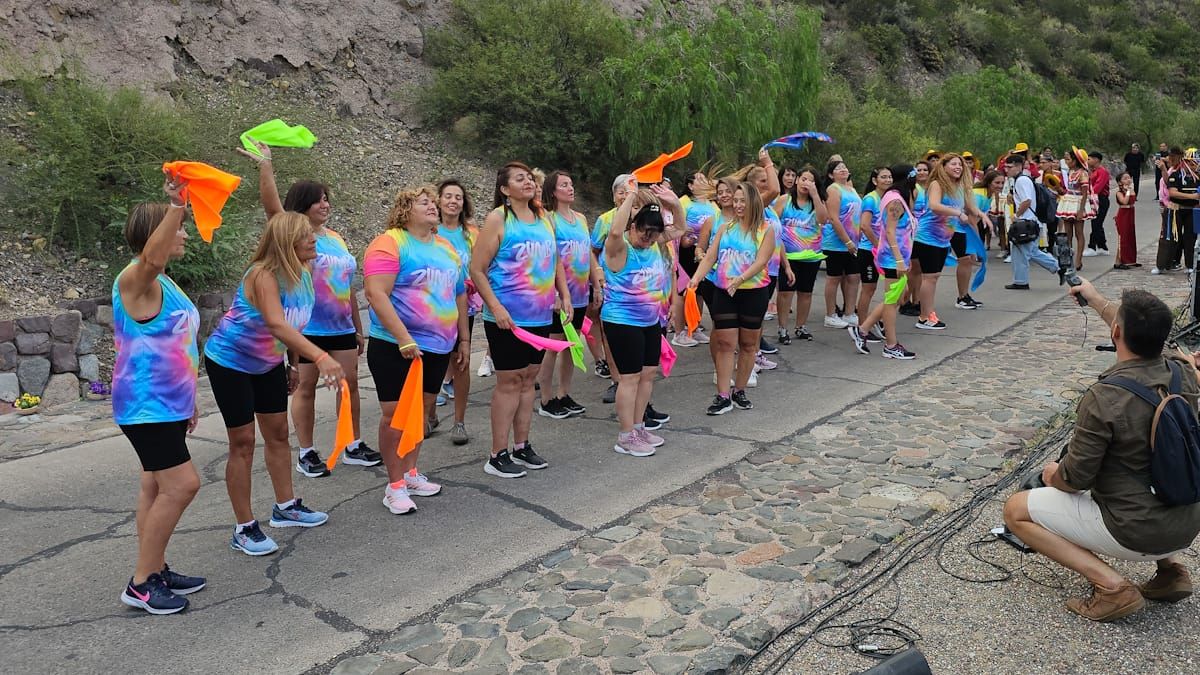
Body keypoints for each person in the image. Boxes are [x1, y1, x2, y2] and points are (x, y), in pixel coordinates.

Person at [1004, 280, 1200, 622]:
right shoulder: (1182, 371)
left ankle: (1112, 587)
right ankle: (1171, 573)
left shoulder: (1105, 397)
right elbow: (1138, 331)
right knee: (1155, 463)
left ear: (1116, 334)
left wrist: (1053, 474)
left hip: (1135, 530)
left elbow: (1075, 479)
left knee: (1016, 509)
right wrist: (1095, 299)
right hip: (1187, 523)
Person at [204, 213, 342, 556]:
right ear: (286, 242)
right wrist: (321, 358)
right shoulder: (262, 275)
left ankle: (286, 506)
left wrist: (292, 364)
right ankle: (244, 527)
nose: (314, 240)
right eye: (306, 236)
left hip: (268, 363)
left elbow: (295, 324)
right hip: (230, 361)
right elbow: (278, 325)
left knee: (279, 433)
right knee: (243, 442)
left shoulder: (304, 273)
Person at [237, 141, 378, 479]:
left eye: (327, 197)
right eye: (317, 198)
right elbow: (272, 207)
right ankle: (307, 451)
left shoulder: (337, 238)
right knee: (306, 389)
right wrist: (266, 167)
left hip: (341, 325)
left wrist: (357, 326)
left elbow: (347, 286)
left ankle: (352, 443)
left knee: (350, 386)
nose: (324, 203)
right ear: (301, 205)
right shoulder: (293, 234)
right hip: (307, 328)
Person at [113, 182, 205, 615]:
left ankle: (155, 568)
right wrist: (176, 205)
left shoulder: (166, 284)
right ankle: (142, 583)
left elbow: (178, 343)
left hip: (166, 404)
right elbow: (151, 257)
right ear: (156, 234)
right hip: (144, 405)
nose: (183, 234)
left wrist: (188, 400)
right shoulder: (135, 279)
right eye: (177, 227)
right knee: (183, 485)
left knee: (155, 484)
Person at [364, 186, 469, 514]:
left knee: (421, 413)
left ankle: (410, 473)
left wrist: (463, 339)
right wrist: (403, 338)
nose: (433, 207)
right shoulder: (390, 242)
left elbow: (460, 295)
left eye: (432, 203)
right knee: (395, 416)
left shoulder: (446, 248)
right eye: (424, 203)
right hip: (395, 345)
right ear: (404, 209)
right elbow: (375, 293)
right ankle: (393, 485)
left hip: (438, 347)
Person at [471, 162, 571, 478]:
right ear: (504, 189)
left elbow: (555, 260)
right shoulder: (499, 219)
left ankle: (522, 445)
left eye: (529, 177)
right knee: (509, 381)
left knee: (530, 379)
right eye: (519, 178)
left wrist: (564, 294)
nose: (528, 181)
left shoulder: (543, 218)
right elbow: (476, 269)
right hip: (507, 320)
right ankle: (497, 453)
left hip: (540, 315)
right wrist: (496, 308)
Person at [602, 180, 681, 455]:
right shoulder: (620, 247)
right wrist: (632, 196)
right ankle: (625, 436)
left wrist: (675, 203)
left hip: (650, 322)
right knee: (630, 378)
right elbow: (614, 229)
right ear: (633, 226)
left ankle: (638, 427)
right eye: (644, 232)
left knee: (648, 374)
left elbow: (680, 228)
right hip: (622, 321)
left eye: (653, 234)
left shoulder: (653, 244)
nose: (648, 238)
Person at [690, 181, 776, 415]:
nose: (737, 205)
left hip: (753, 292)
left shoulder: (766, 229)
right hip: (724, 291)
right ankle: (722, 396)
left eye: (742, 201)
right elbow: (710, 257)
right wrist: (696, 279)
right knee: (726, 343)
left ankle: (739, 390)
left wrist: (740, 279)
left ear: (753, 203)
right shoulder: (725, 228)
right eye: (735, 201)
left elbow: (761, 261)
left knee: (748, 345)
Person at [537, 170, 600, 419]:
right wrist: (553, 292)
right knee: (553, 345)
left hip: (580, 294)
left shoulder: (581, 219)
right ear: (553, 191)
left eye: (572, 184)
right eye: (564, 184)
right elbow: (546, 258)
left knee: (571, 345)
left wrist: (598, 285)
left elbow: (589, 255)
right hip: (558, 297)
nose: (570, 188)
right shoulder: (549, 220)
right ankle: (546, 398)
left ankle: (564, 394)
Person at [850, 164, 917, 360]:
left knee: (897, 297)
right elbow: (889, 231)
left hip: (898, 258)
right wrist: (898, 259)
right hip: (891, 259)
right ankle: (891, 344)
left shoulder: (898, 198)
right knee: (891, 300)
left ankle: (862, 329)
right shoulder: (895, 200)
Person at [912, 153, 984, 329]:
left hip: (943, 239)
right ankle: (924, 317)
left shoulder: (958, 186)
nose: (958, 167)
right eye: (953, 164)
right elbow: (935, 206)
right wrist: (958, 213)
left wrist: (981, 214)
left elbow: (969, 206)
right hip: (927, 237)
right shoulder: (937, 184)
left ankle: (928, 314)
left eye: (960, 165)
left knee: (933, 277)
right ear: (943, 167)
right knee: (929, 277)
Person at [435, 179, 479, 445]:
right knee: (433, 364)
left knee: (460, 362)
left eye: (458, 197)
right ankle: (429, 414)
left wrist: (475, 279)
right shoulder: (429, 230)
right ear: (438, 200)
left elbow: (483, 265)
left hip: (464, 308)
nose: (453, 201)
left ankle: (459, 422)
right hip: (431, 310)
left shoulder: (471, 234)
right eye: (448, 196)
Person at [773, 167, 829, 345]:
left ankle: (801, 326)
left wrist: (816, 197)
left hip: (810, 255)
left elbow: (823, 219)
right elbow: (773, 224)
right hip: (787, 255)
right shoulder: (784, 200)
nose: (806, 183)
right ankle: (782, 328)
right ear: (797, 180)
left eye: (810, 180)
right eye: (803, 179)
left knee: (806, 292)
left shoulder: (817, 202)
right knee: (785, 292)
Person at [1002, 155, 1060, 290]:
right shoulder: (1022, 179)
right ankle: (1021, 280)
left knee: (1027, 252)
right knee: (1023, 251)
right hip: (1029, 221)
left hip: (1026, 222)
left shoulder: (1021, 180)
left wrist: (1016, 215)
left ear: (1018, 166)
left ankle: (1059, 267)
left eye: (1009, 167)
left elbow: (1027, 201)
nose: (1007, 170)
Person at [673, 171, 718, 347]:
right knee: (685, 291)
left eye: (704, 179)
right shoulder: (683, 202)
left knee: (700, 291)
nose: (704, 181)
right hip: (687, 252)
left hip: (706, 252)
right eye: (698, 179)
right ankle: (680, 331)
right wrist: (685, 238)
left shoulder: (712, 203)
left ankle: (694, 326)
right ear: (690, 186)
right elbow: (677, 226)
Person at [852, 167, 892, 344]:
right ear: (875, 180)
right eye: (883, 177)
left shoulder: (889, 199)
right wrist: (878, 245)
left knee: (885, 290)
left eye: (890, 177)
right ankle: (862, 326)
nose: (887, 180)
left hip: (883, 251)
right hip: (869, 251)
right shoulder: (870, 199)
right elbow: (865, 226)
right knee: (868, 289)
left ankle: (871, 322)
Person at [821, 159, 862, 328]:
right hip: (836, 243)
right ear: (831, 175)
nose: (843, 170)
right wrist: (847, 241)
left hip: (854, 242)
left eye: (844, 167)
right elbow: (833, 218)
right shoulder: (833, 190)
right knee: (834, 278)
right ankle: (830, 314)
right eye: (838, 169)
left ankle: (850, 313)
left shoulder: (851, 189)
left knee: (853, 277)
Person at [1056, 147, 1095, 271]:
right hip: (1068, 201)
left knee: (1079, 232)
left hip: (1078, 202)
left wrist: (1081, 210)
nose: (1067, 162)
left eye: (1069, 159)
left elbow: (1084, 193)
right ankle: (1068, 258)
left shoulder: (1083, 174)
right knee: (1068, 233)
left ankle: (1078, 259)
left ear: (1075, 160)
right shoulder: (1070, 172)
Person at [1084, 152, 1112, 257]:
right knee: (1097, 222)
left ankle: (1092, 246)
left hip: (1101, 199)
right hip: (1095, 198)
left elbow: (1098, 187)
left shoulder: (1102, 172)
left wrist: (1088, 194)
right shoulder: (1093, 171)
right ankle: (1102, 246)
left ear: (1096, 160)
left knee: (1096, 223)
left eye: (1089, 159)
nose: (1088, 161)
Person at [1113, 172, 1140, 270]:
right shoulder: (1119, 192)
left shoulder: (1131, 190)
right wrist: (1128, 191)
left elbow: (1133, 199)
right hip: (1123, 215)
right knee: (1123, 238)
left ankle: (1130, 260)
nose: (1128, 180)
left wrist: (1129, 190)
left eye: (1129, 178)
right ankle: (1119, 261)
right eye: (1125, 178)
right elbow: (1124, 201)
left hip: (1130, 214)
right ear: (1120, 182)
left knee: (1130, 236)